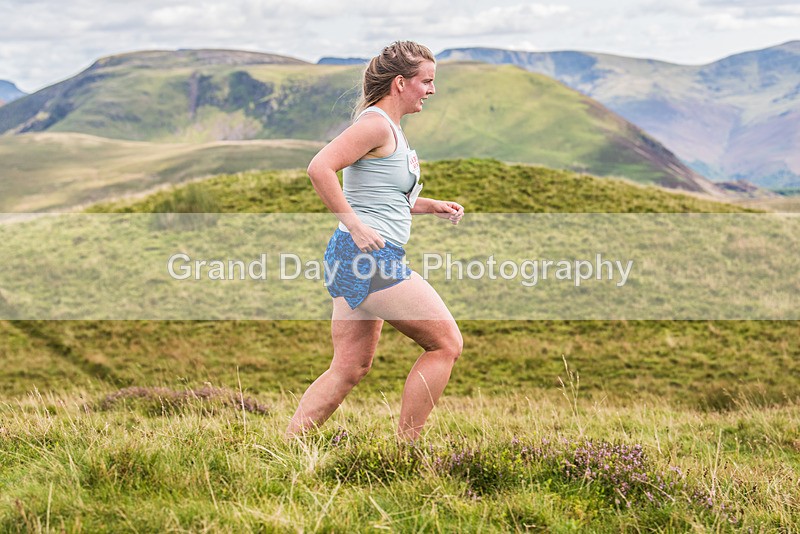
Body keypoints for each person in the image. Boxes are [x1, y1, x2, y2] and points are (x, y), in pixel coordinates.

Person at [285, 41, 465, 442]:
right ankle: (406, 449)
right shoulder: (375, 125)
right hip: (367, 255)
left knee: (349, 367)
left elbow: (384, 199)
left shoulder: (390, 130)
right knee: (446, 344)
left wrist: (432, 206)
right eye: (427, 81)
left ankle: (287, 445)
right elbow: (320, 168)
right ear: (401, 82)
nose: (432, 90)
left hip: (352, 255)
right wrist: (355, 224)